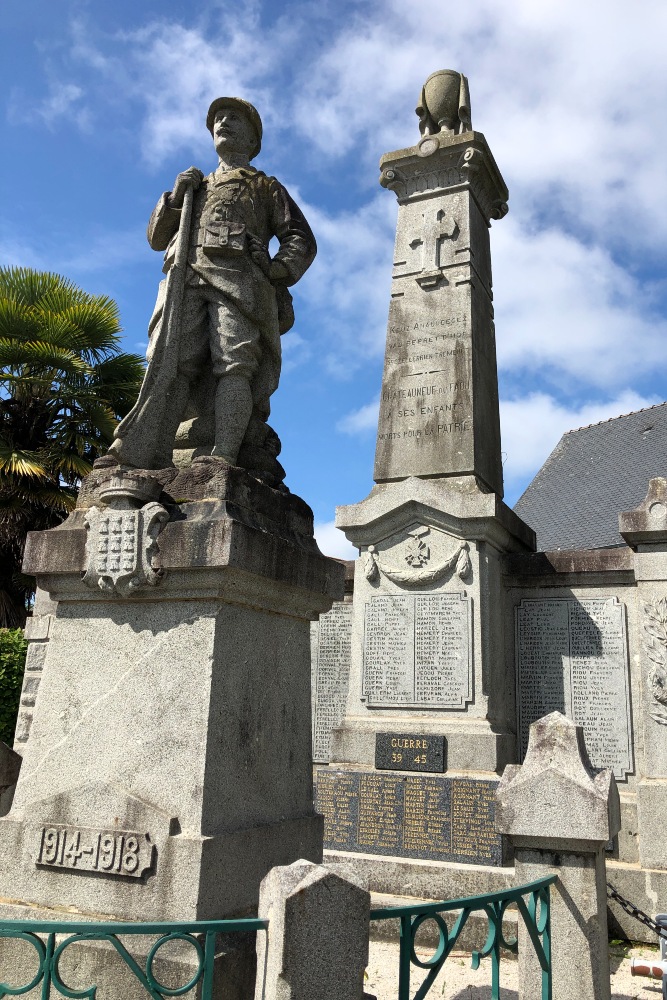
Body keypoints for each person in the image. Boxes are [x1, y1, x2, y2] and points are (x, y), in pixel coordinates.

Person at [102, 97, 316, 486]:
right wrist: (173, 197)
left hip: (239, 281)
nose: (223, 122)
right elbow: (155, 238)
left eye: (234, 117)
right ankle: (153, 452)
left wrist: (276, 268)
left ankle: (223, 455)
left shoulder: (264, 186)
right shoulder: (195, 184)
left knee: (235, 363)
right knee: (173, 360)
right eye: (217, 118)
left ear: (254, 138)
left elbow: (299, 238)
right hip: (186, 278)